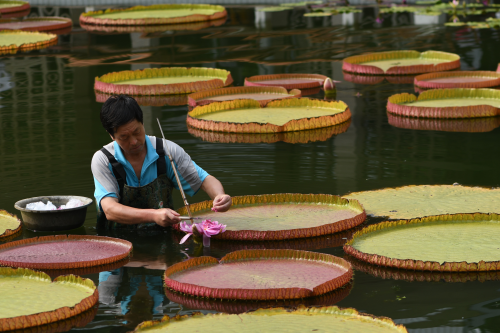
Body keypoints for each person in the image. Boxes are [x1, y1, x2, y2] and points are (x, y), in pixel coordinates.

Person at [91, 95, 231, 229]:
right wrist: (153, 215)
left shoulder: (167, 151)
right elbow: (110, 209)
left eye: (137, 131)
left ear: (142, 122)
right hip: (117, 242)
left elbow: (204, 180)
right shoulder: (103, 160)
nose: (133, 141)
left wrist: (219, 196)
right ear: (111, 135)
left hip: (164, 235)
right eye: (124, 137)